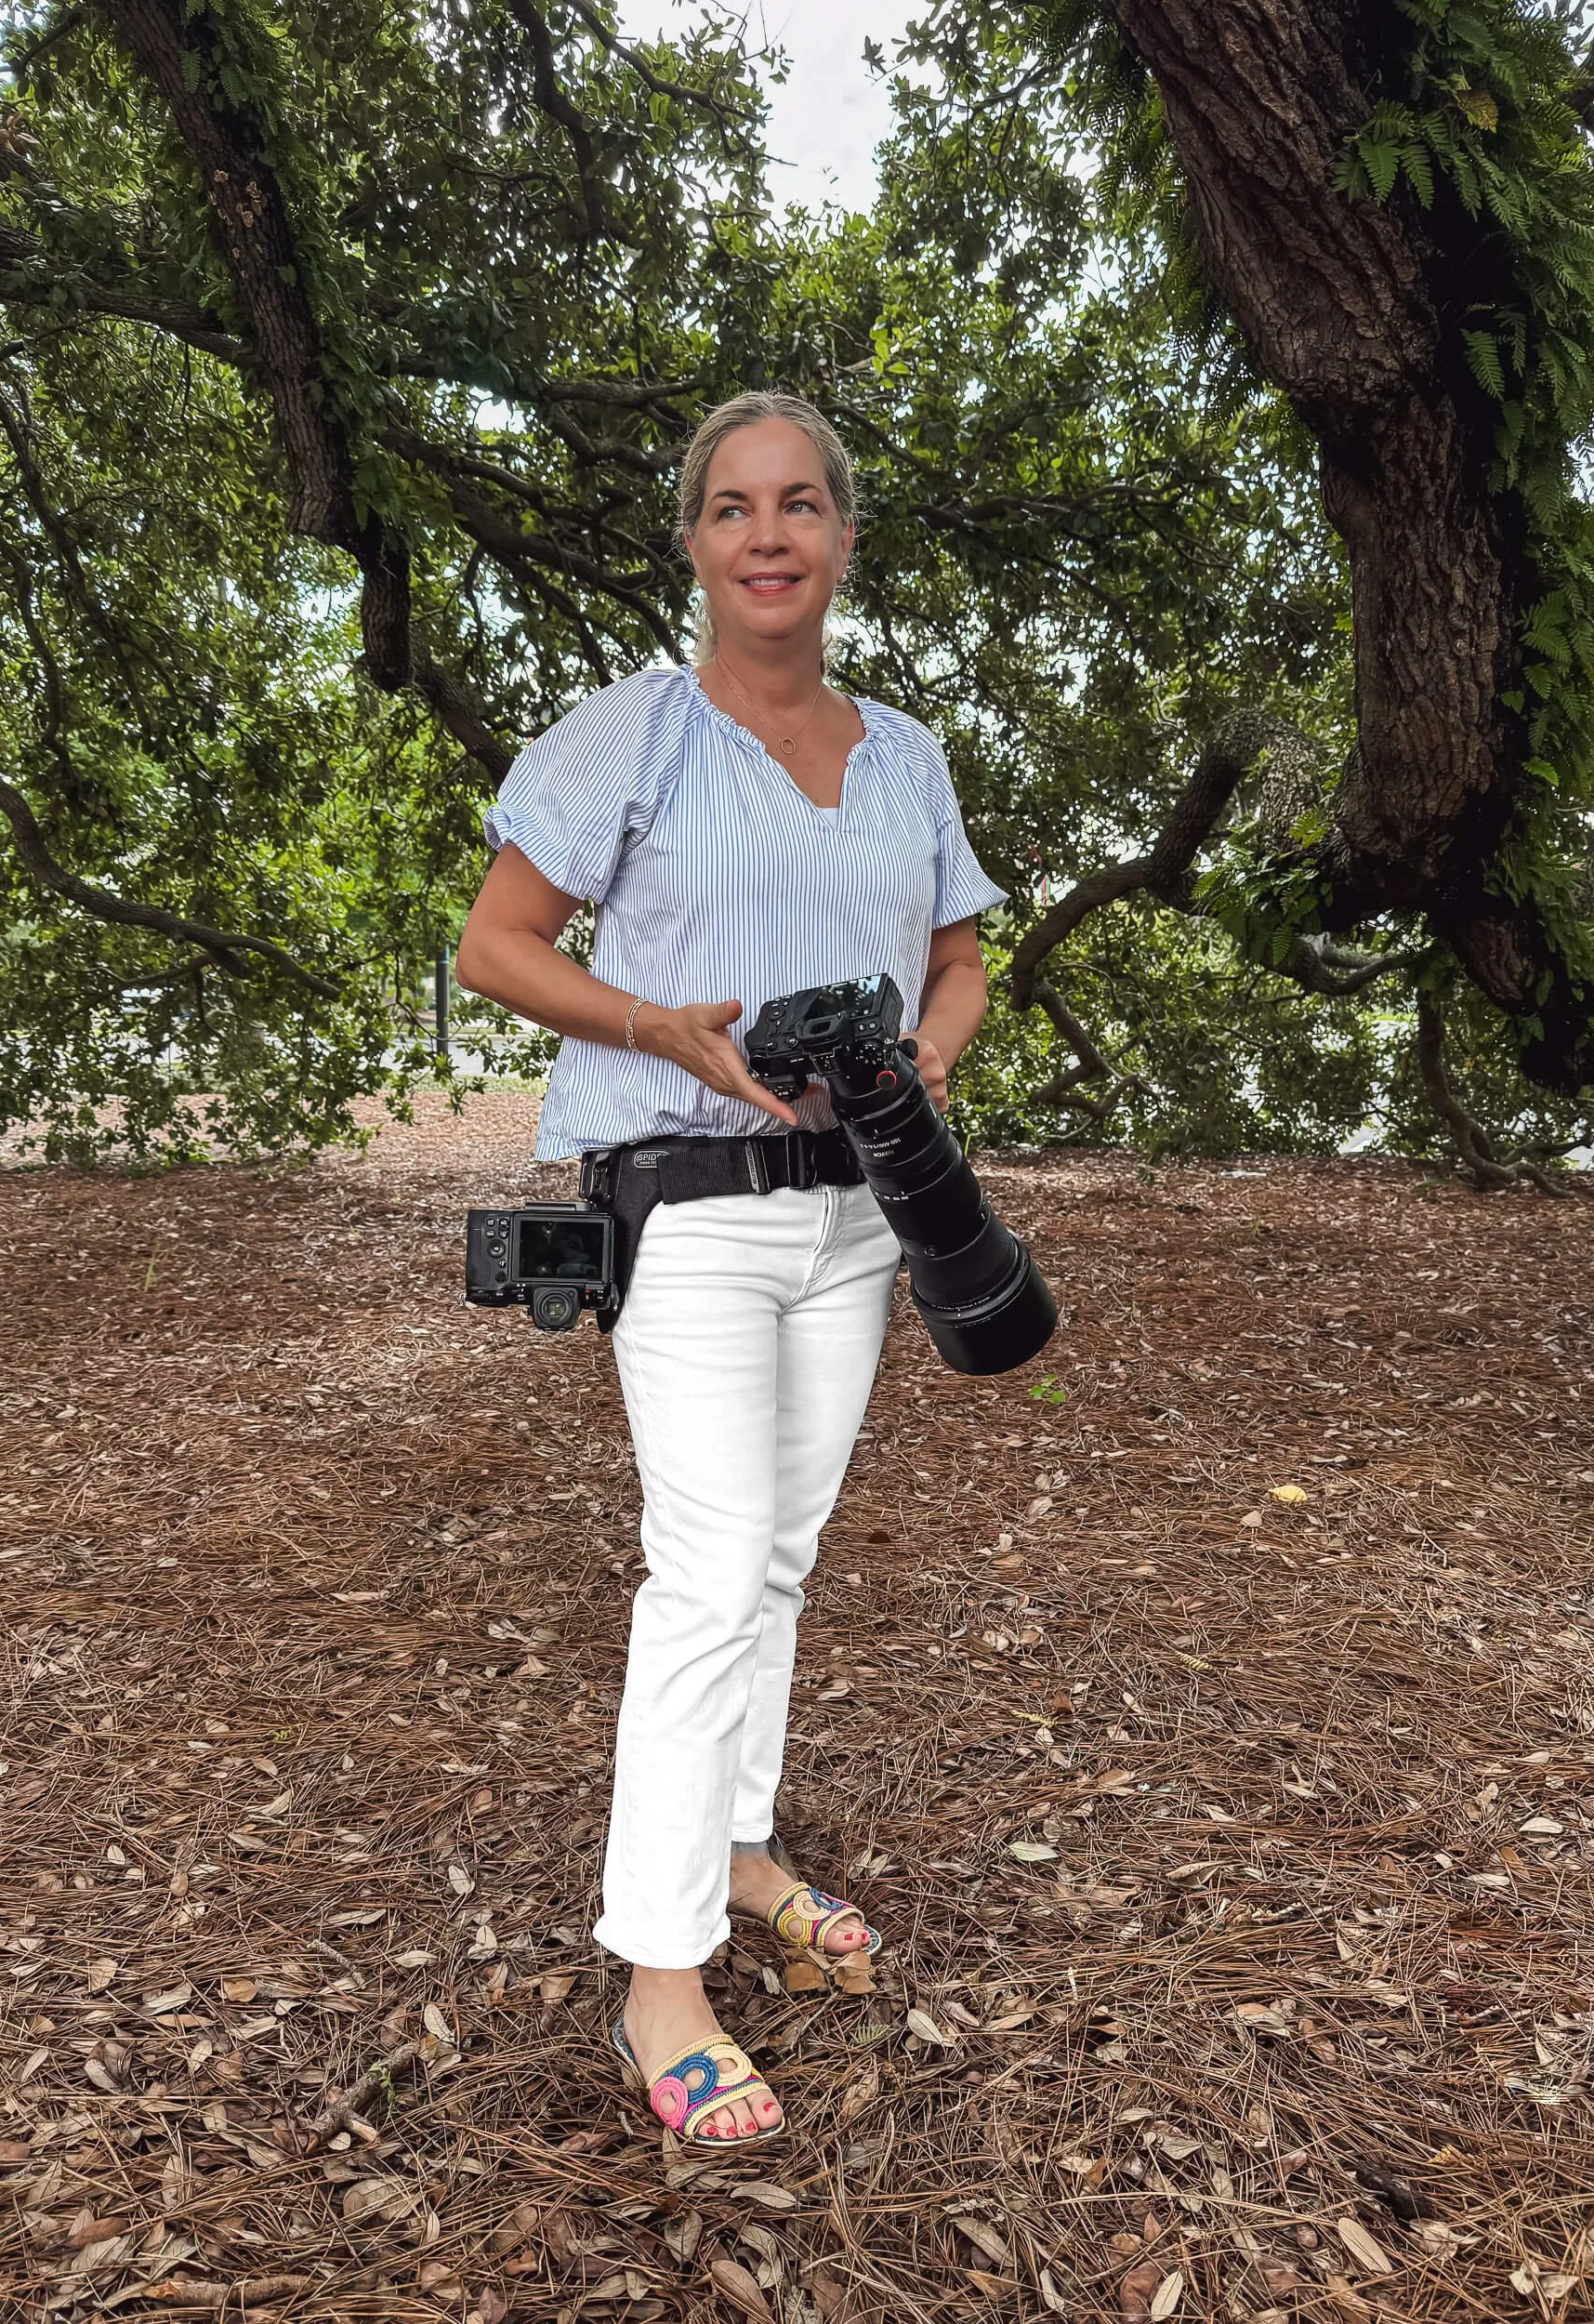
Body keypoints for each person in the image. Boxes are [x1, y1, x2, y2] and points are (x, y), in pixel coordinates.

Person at [454, 390, 1008, 2147]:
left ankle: (745, 1845)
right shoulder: (635, 733)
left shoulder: (907, 751)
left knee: (778, 1556)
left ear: (841, 536)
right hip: (685, 1206)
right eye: (730, 509)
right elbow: (495, 944)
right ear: (693, 544)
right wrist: (660, 1033)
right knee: (699, 1575)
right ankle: (660, 1976)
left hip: (862, 1216)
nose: (766, 535)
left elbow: (961, 958)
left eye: (798, 506)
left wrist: (925, 1058)